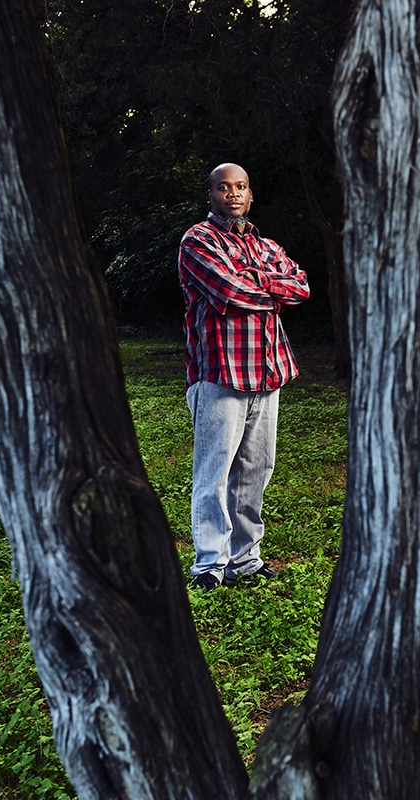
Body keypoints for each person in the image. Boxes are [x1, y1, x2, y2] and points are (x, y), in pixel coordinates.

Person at [178, 163, 310, 590]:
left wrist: (258, 279)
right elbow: (230, 291)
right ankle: (210, 566)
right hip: (219, 374)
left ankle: (245, 561)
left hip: (266, 374)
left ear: (250, 194)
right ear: (211, 195)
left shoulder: (265, 244)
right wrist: (271, 286)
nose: (232, 194)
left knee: (256, 470)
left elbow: (302, 287)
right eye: (223, 187)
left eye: (240, 187)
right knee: (214, 473)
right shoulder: (197, 241)